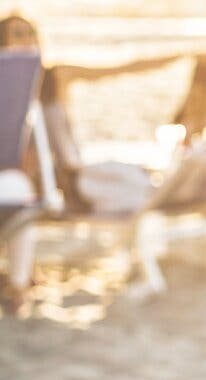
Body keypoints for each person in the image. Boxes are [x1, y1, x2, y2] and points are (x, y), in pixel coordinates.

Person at [0, 12, 190, 310]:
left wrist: (183, 54)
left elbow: (121, 69)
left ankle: (20, 281)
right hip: (29, 183)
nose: (27, 42)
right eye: (17, 35)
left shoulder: (54, 76)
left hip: (68, 183)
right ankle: (19, 283)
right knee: (18, 191)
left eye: (31, 34)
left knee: (147, 185)